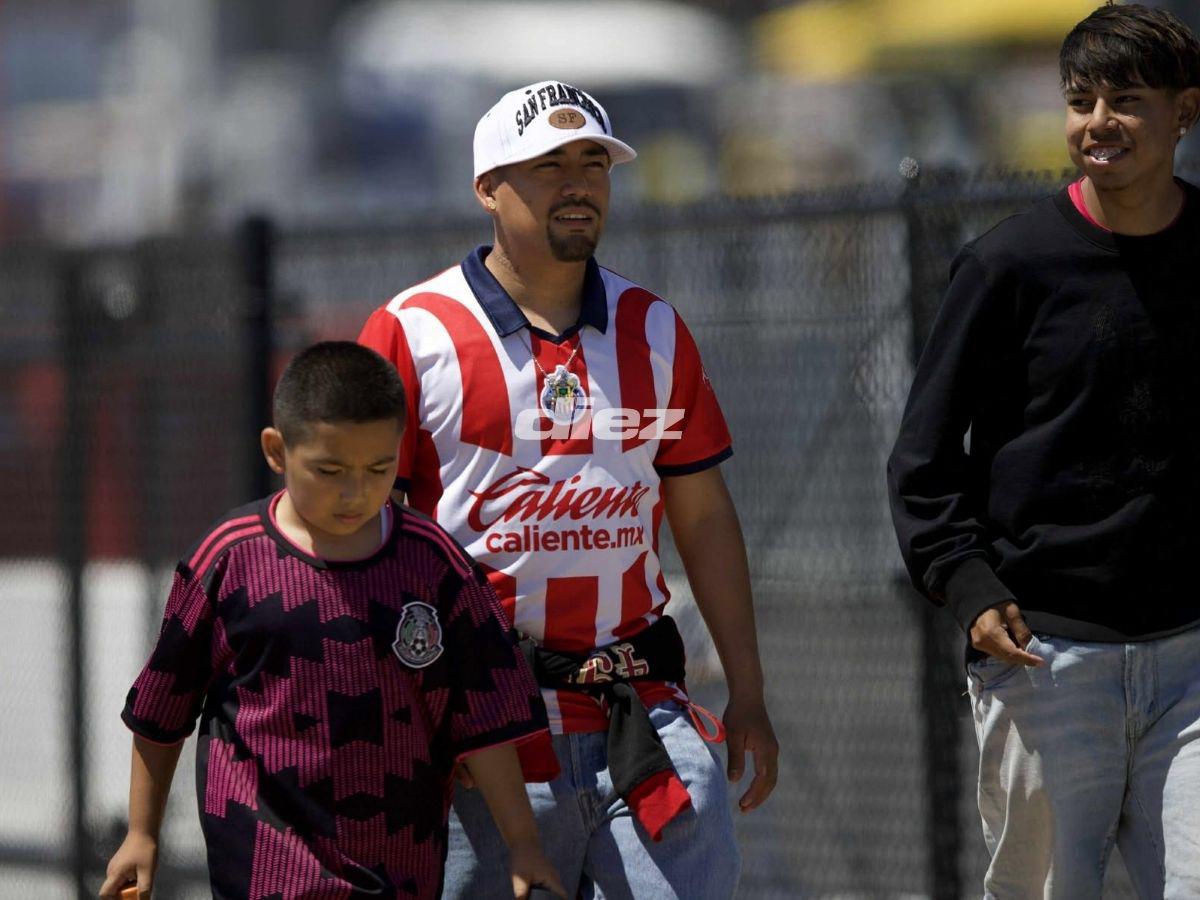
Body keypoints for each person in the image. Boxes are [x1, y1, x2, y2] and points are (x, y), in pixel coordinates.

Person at [358, 80, 778, 899]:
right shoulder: (411, 331)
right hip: (486, 746)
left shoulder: (655, 327)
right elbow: (366, 541)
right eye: (549, 166)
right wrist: (414, 712)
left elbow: (702, 516)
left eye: (594, 163)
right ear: (488, 188)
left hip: (646, 724)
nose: (578, 184)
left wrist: (750, 694)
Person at [888, 4, 1200, 896]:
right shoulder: (1007, 265)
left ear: (1185, 111)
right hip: (1046, 659)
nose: (1099, 122)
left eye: (1126, 100)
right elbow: (922, 460)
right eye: (1080, 100)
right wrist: (970, 588)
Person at [99, 342, 565, 900]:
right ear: (277, 451)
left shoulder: (434, 564)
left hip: (400, 874)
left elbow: (485, 719)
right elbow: (162, 709)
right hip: (265, 876)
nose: (355, 491)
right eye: (330, 470)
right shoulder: (228, 559)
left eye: (378, 469)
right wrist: (142, 834)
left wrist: (523, 843)